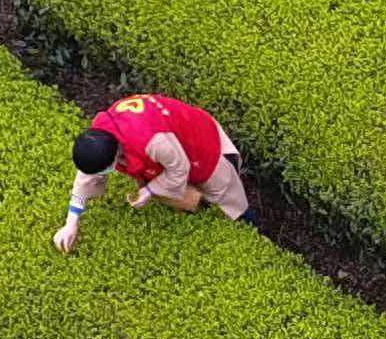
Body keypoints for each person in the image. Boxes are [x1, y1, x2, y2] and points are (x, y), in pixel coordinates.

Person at [55, 92, 249, 251]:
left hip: (201, 145)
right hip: (171, 145)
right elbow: (84, 180)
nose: (102, 174)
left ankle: (250, 224)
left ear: (115, 155)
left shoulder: (152, 141)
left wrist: (149, 191)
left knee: (229, 198)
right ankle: (199, 208)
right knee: (176, 191)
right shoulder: (100, 139)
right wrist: (72, 221)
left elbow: (179, 169)